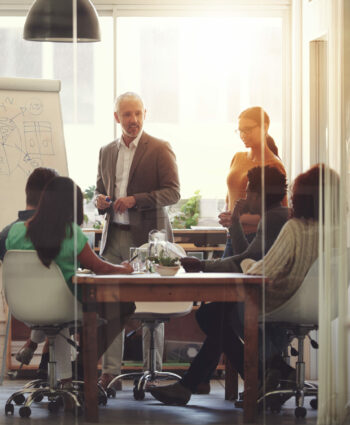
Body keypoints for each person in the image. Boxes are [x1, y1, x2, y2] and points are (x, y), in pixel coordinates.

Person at [150, 163, 337, 406]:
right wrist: (236, 224)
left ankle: (258, 378)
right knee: (215, 315)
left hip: (280, 301)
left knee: (211, 315)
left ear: (258, 195)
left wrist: (204, 265)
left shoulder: (282, 222)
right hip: (317, 304)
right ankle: (268, 375)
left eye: (249, 191)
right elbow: (246, 255)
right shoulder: (334, 229)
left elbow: (254, 265)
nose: (245, 195)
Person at [5, 176, 135, 384]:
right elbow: (99, 267)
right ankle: (85, 363)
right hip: (64, 306)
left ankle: (63, 371)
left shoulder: (16, 231)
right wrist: (124, 268)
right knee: (124, 306)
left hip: (24, 307)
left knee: (54, 306)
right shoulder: (70, 232)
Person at [95, 92, 180, 389]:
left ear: (145, 113)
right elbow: (99, 190)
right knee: (110, 306)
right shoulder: (106, 151)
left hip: (147, 240)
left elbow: (173, 193)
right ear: (117, 117)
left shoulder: (159, 148)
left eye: (138, 114)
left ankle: (152, 372)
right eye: (127, 115)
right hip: (113, 238)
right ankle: (110, 373)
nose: (133, 120)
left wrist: (136, 200)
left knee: (149, 303)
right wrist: (100, 201)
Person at [0, 167, 59, 377]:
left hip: (21, 308)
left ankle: (39, 353)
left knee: (46, 295)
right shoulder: (61, 232)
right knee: (70, 298)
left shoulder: (7, 233)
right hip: (57, 306)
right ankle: (68, 371)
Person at [219, 106, 286, 258]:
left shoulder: (273, 165)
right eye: (240, 130)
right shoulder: (238, 157)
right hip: (233, 234)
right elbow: (230, 195)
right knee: (223, 278)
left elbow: (280, 214)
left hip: (255, 238)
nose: (243, 135)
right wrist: (227, 216)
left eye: (248, 129)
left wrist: (237, 219)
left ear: (265, 127)